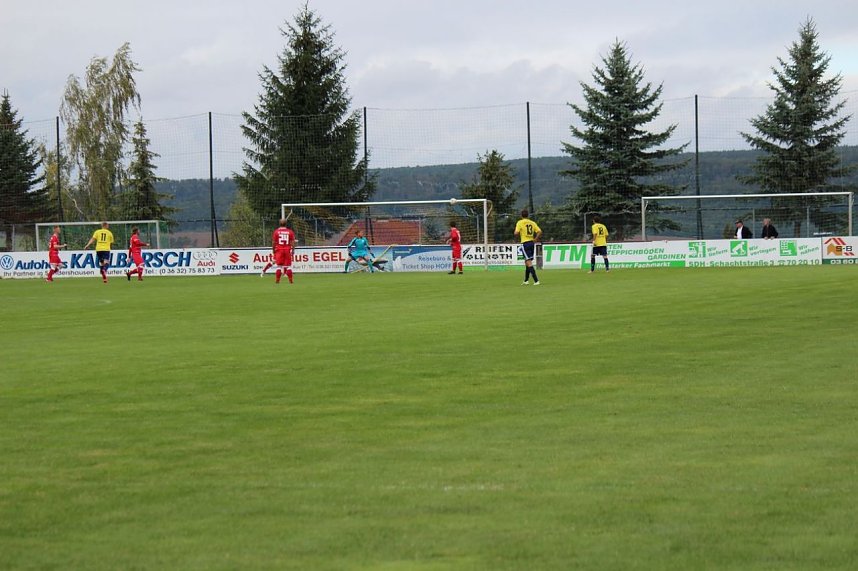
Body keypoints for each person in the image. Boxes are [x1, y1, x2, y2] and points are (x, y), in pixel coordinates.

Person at [514, 209, 542, 285]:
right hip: (531, 243)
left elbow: (516, 233)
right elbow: (539, 231)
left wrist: (516, 238)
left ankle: (536, 280)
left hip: (525, 243)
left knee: (528, 262)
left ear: (521, 215)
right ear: (528, 215)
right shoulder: (532, 223)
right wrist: (535, 239)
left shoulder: (520, 222)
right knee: (527, 261)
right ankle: (526, 280)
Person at [267, 218, 296, 284]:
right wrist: (293, 250)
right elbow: (293, 242)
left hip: (279, 250)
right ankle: (291, 281)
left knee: (279, 266)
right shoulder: (290, 232)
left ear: (279, 223)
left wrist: (273, 250)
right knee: (288, 266)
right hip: (287, 250)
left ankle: (277, 280)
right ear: (286, 224)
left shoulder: (276, 232)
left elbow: (274, 242)